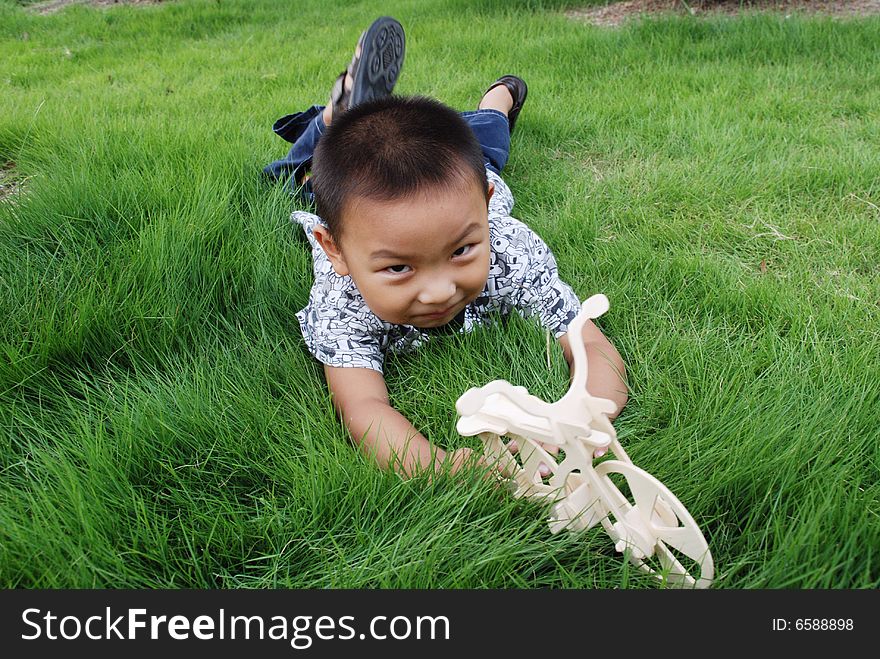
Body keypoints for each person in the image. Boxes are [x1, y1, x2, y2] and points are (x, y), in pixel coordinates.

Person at [263, 17, 627, 478]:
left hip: (468, 179)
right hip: (358, 200)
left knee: (488, 145)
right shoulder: (342, 298)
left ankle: (500, 96)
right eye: (398, 268)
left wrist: (587, 417)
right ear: (334, 252)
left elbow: (590, 343)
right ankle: (330, 123)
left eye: (460, 252)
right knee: (289, 180)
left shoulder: (507, 249)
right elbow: (362, 405)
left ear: (486, 211)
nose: (438, 292)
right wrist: (441, 467)